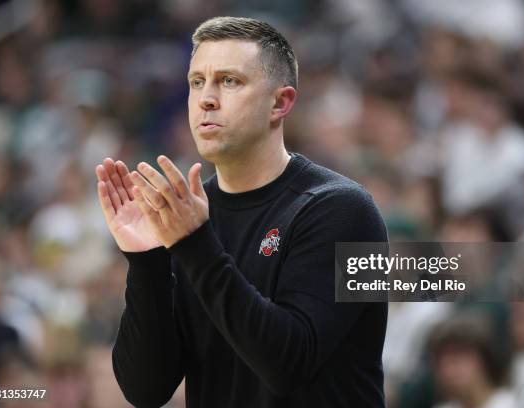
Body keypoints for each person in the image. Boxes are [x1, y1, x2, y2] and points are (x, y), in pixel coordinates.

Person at [95, 17, 388, 407]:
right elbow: (145, 391)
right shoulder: (193, 217)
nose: (206, 99)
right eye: (197, 82)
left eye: (229, 81)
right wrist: (146, 261)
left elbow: (288, 364)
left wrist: (195, 245)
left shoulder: (343, 209)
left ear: (280, 102)